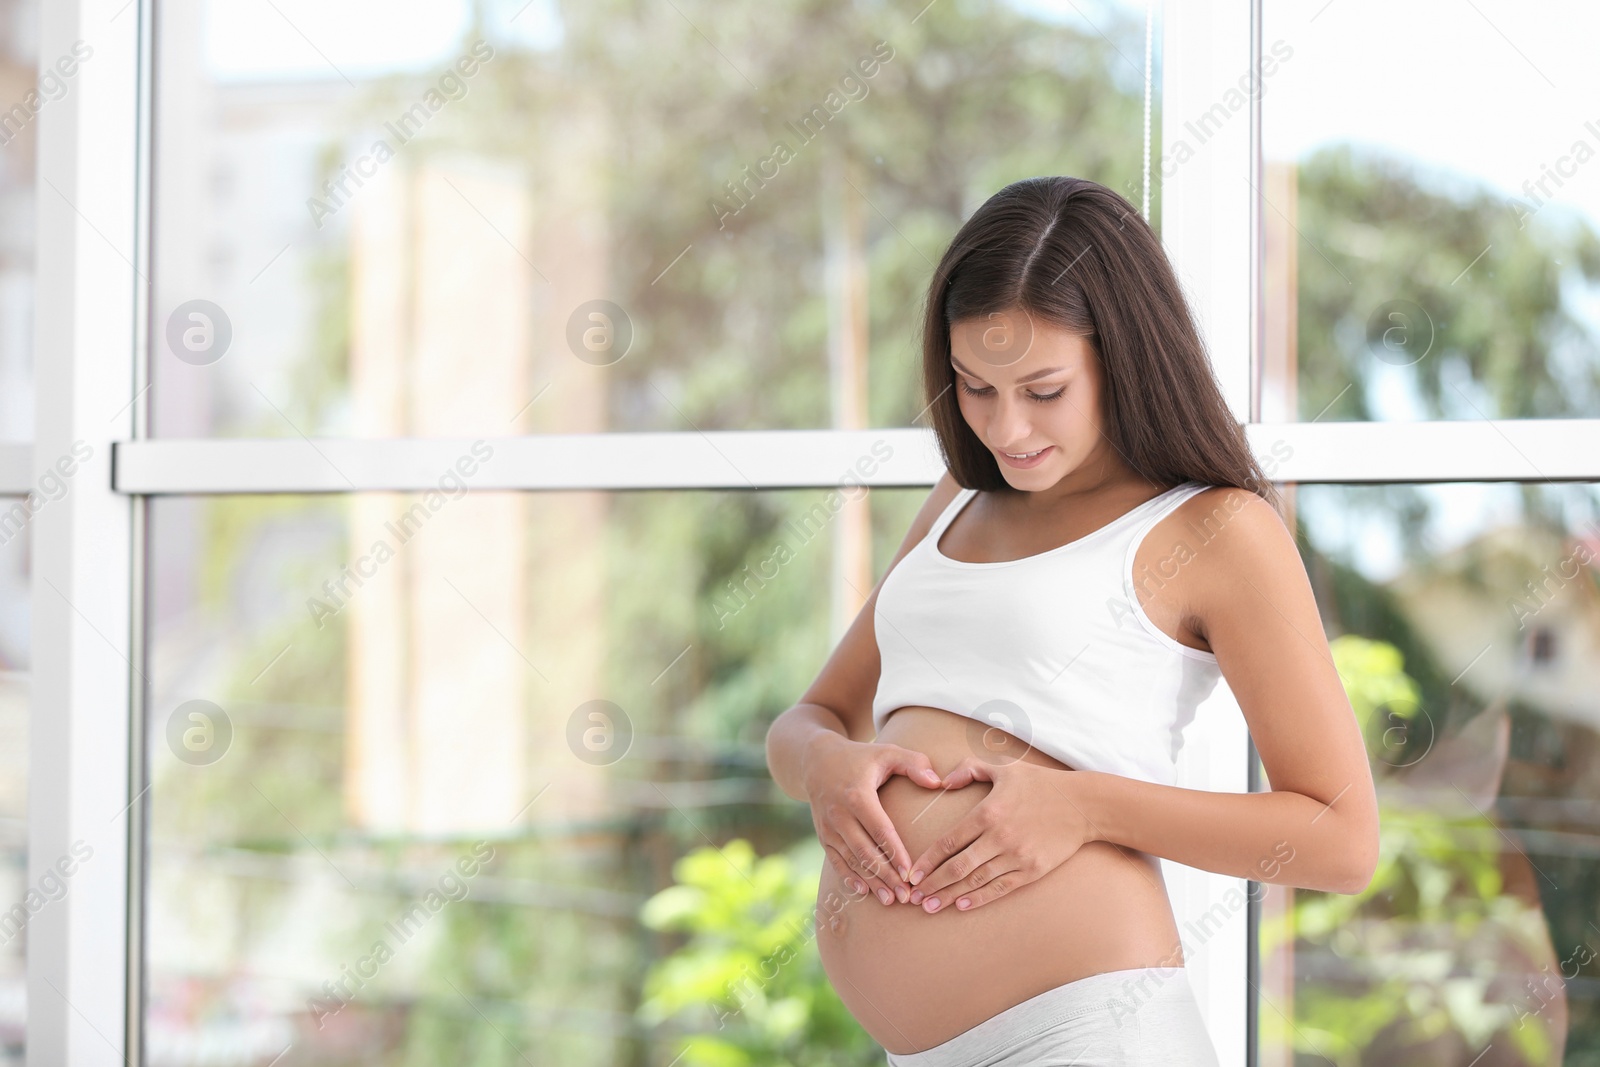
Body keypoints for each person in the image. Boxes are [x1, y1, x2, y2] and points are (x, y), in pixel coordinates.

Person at [764, 176, 1380, 1066]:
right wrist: (825, 768)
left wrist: (1085, 807)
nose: (1007, 429)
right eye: (976, 387)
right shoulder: (958, 500)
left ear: (1122, 359)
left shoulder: (1214, 529)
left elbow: (1341, 838)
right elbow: (808, 718)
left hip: (1093, 1036)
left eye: (1043, 389)